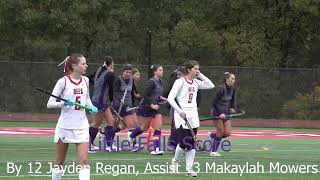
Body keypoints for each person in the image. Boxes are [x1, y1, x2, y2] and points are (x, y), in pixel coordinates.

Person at [47, 54, 98, 180]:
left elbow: (87, 99)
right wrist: (63, 103)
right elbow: (49, 104)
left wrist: (91, 107)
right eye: (83, 63)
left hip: (81, 126)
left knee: (84, 161)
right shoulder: (63, 81)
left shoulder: (85, 80)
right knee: (59, 162)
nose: (86, 66)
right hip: (65, 126)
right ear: (74, 66)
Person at [167, 60, 214, 177]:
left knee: (191, 142)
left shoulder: (196, 82)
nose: (197, 71)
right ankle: (175, 162)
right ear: (189, 70)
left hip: (193, 116)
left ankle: (189, 169)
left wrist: (200, 74)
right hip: (182, 115)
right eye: (195, 69)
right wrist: (180, 111)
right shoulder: (180, 82)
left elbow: (210, 85)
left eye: (198, 69)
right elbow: (170, 98)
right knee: (184, 143)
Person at [129, 64, 166, 155]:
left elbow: (157, 94)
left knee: (158, 126)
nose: (162, 71)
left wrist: (163, 98)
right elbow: (145, 95)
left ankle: (156, 149)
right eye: (160, 70)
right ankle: (131, 136)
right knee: (144, 127)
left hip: (155, 107)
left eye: (162, 70)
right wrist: (151, 104)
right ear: (155, 72)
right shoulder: (151, 82)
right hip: (146, 107)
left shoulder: (160, 81)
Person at [88, 56, 116, 152]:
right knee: (96, 123)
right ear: (111, 64)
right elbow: (111, 89)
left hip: (100, 101)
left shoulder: (99, 70)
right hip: (100, 102)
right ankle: (88, 145)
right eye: (113, 64)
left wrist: (95, 84)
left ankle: (108, 145)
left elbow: (89, 77)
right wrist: (112, 100)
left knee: (111, 121)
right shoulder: (110, 74)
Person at [208, 72, 236, 157]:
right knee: (220, 131)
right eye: (232, 78)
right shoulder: (221, 88)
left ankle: (212, 135)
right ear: (227, 79)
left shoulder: (232, 88)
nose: (234, 80)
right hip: (216, 112)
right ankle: (213, 151)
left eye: (234, 79)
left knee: (227, 133)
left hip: (225, 113)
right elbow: (214, 102)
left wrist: (232, 107)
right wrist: (220, 113)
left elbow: (232, 99)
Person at [111, 64, 138, 149]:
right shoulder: (118, 80)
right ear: (123, 72)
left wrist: (137, 96)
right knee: (114, 124)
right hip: (117, 106)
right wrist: (119, 99)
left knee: (131, 124)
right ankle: (109, 141)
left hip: (128, 106)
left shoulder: (131, 80)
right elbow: (114, 91)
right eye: (127, 72)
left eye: (130, 72)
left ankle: (132, 143)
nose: (128, 74)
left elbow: (133, 91)